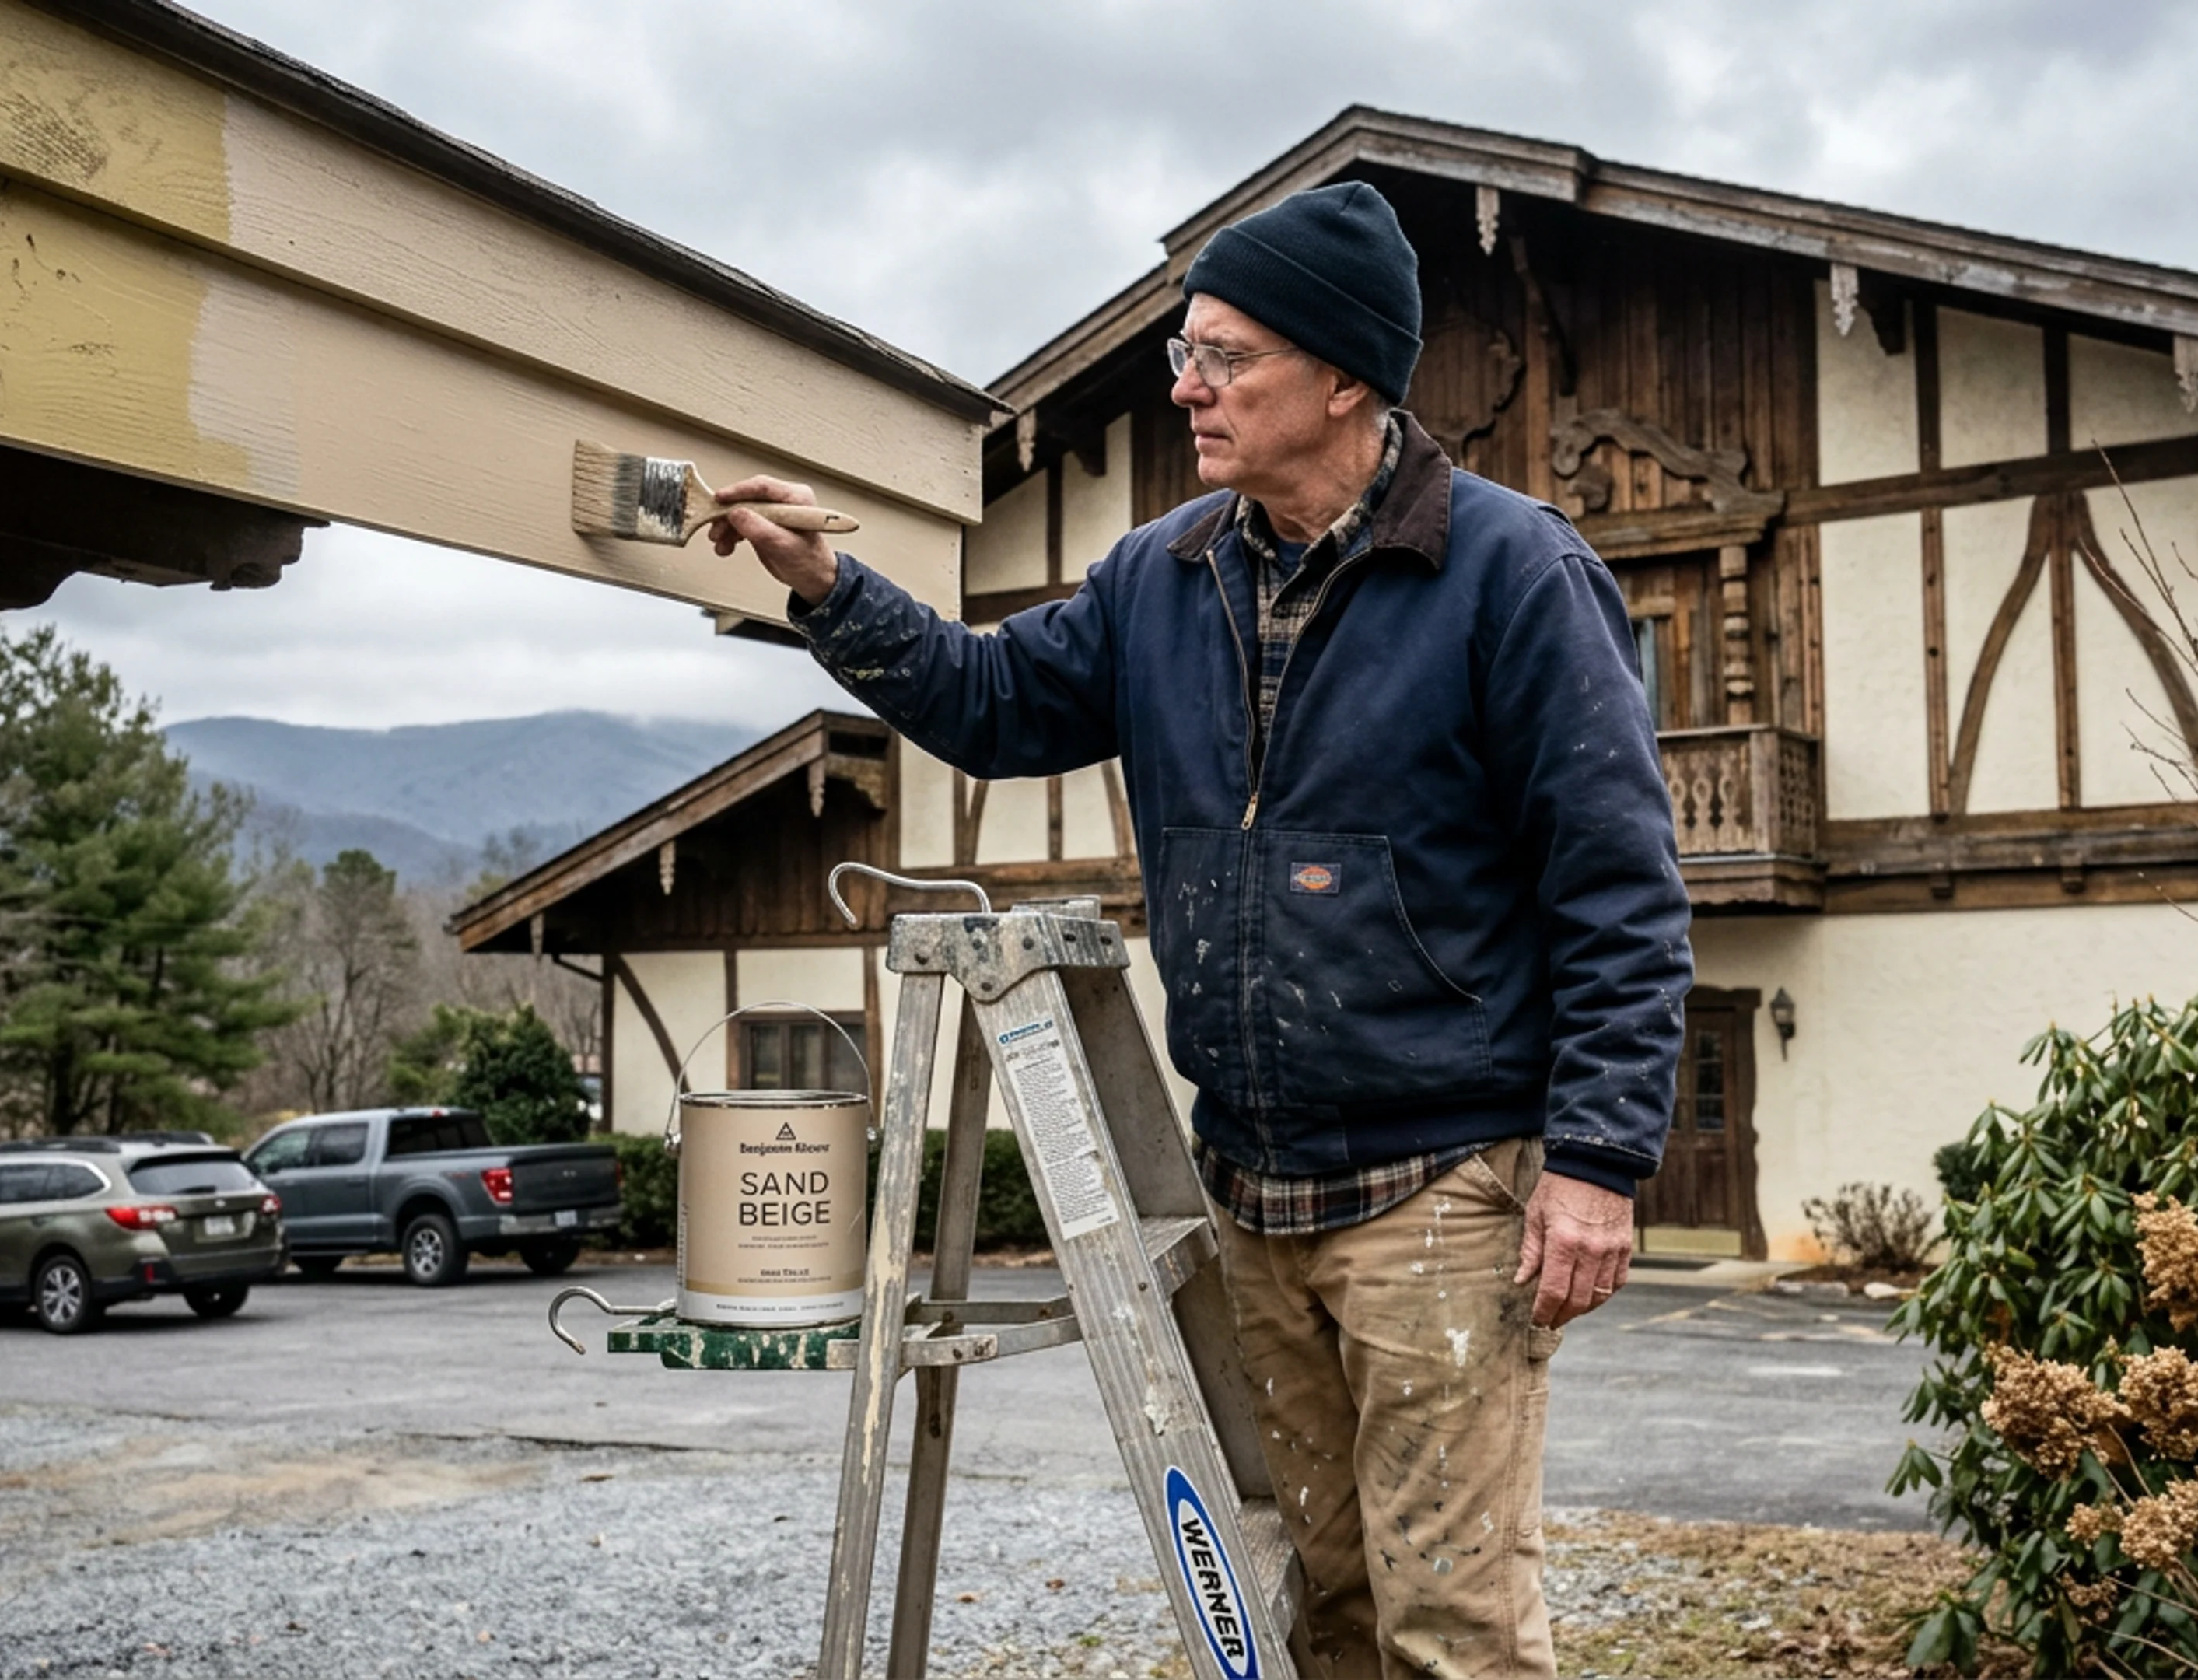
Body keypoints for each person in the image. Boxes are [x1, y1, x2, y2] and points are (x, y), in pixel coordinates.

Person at [713, 181, 1692, 1678]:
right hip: (1252, 1187)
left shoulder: (1512, 575)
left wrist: (1600, 1162)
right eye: (1187, 349)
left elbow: (1618, 888)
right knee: (1326, 1603)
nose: (1187, 385)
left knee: (1456, 1626)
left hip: (1443, 1192)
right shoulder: (1161, 576)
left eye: (1226, 356)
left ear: (1347, 375)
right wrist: (829, 592)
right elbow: (988, 701)